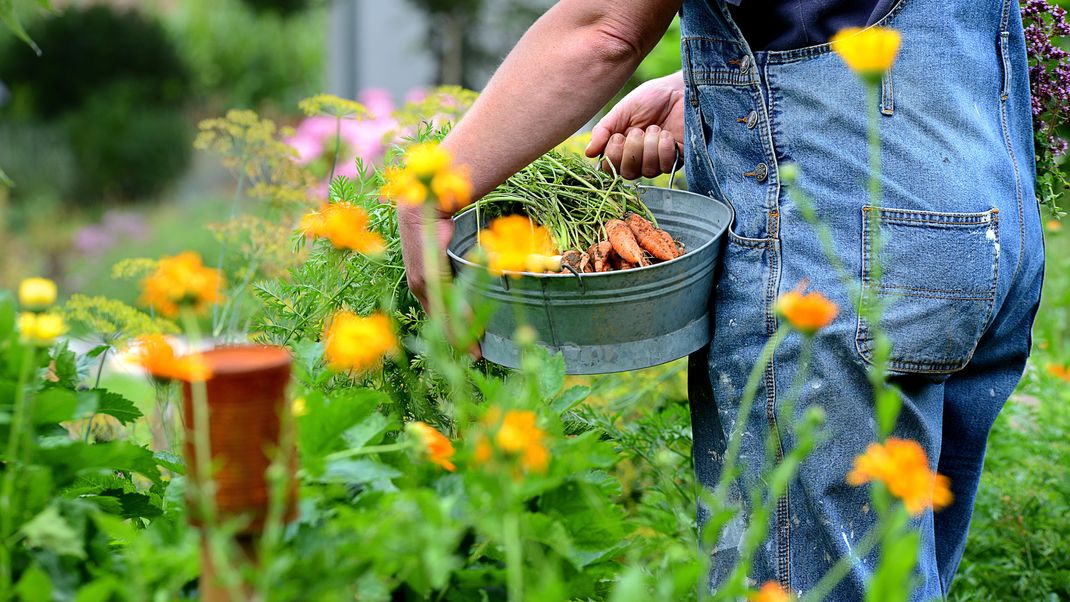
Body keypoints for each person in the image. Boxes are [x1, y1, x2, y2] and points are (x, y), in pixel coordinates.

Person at [397, 0, 1045, 599]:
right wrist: (731, 87)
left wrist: (430, 187)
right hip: (977, 224)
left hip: (839, 247)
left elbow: (605, 27)